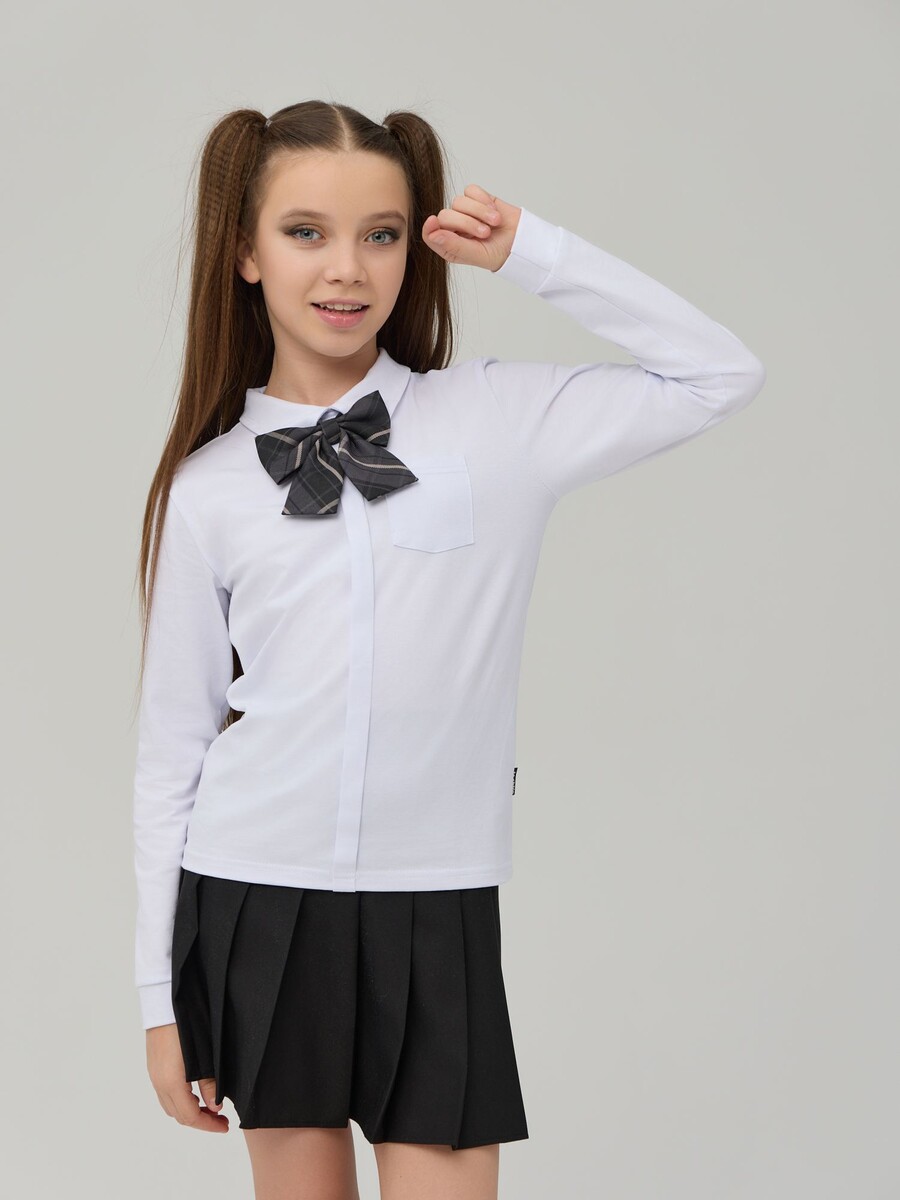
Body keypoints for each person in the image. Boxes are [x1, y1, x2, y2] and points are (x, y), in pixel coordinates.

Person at [132, 99, 766, 1200]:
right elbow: (171, 752)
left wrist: (532, 251)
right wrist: (157, 999)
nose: (347, 267)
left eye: (381, 233)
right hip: (256, 897)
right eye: (305, 232)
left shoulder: (495, 421)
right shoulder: (211, 488)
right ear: (244, 252)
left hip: (438, 899)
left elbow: (720, 374)